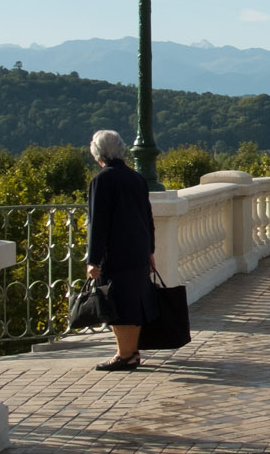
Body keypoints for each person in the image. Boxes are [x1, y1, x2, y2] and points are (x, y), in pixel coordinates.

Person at [84, 129, 157, 372]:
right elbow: (147, 217)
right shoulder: (136, 178)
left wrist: (93, 260)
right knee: (133, 302)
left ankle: (124, 355)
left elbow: (98, 223)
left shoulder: (102, 180)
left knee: (116, 304)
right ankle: (131, 352)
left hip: (115, 252)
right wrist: (150, 251)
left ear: (98, 152)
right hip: (137, 249)